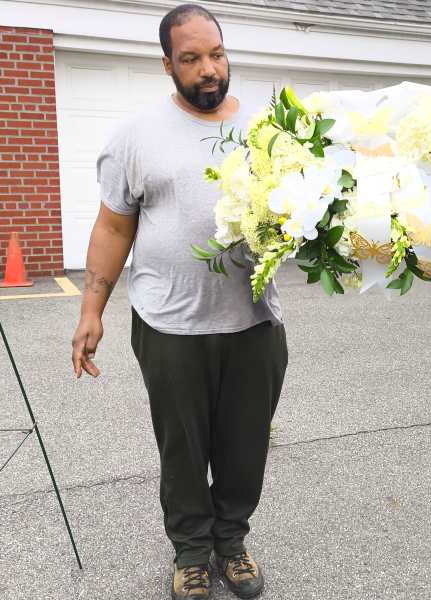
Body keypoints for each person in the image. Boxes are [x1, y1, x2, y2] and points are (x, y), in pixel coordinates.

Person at [70, 4, 288, 599]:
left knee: (246, 445)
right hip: (168, 326)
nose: (208, 69)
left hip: (254, 323)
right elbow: (112, 227)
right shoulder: (136, 137)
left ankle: (231, 541)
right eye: (190, 59)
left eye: (216, 54)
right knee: (183, 450)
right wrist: (91, 311)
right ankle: (191, 551)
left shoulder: (271, 131)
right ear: (168, 64)